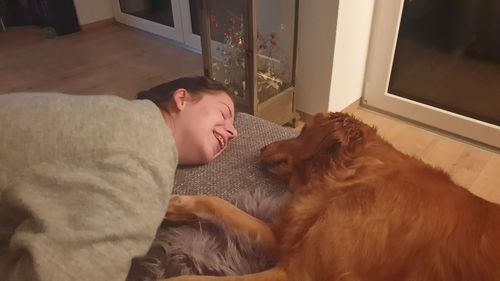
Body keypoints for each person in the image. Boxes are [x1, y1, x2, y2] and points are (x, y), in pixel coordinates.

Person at [0, 76, 237, 281]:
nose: (234, 132)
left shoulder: (124, 117)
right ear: (181, 99)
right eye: (224, 113)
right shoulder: (145, 152)